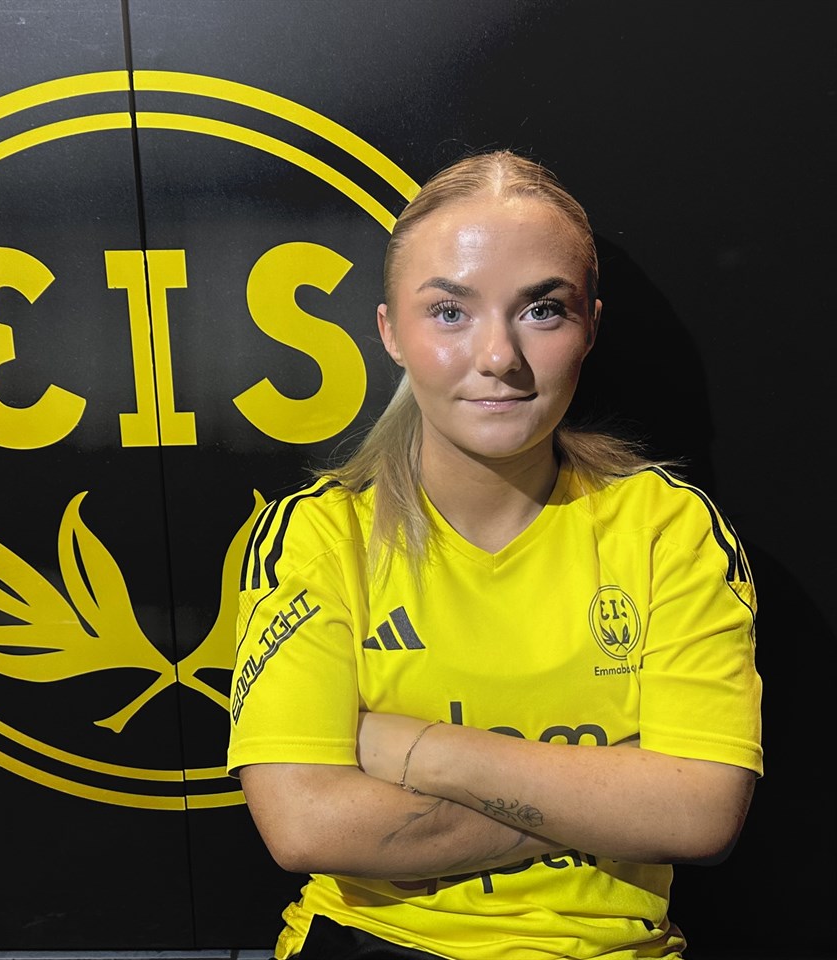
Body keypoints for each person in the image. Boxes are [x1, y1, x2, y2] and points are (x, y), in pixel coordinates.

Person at [226, 149, 762, 960]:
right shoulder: (319, 534)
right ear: (391, 333)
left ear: (590, 327)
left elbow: (701, 815)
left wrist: (420, 751)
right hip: (370, 941)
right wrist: (615, 797)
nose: (499, 357)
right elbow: (304, 826)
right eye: (449, 312)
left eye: (543, 310)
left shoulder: (668, 528)